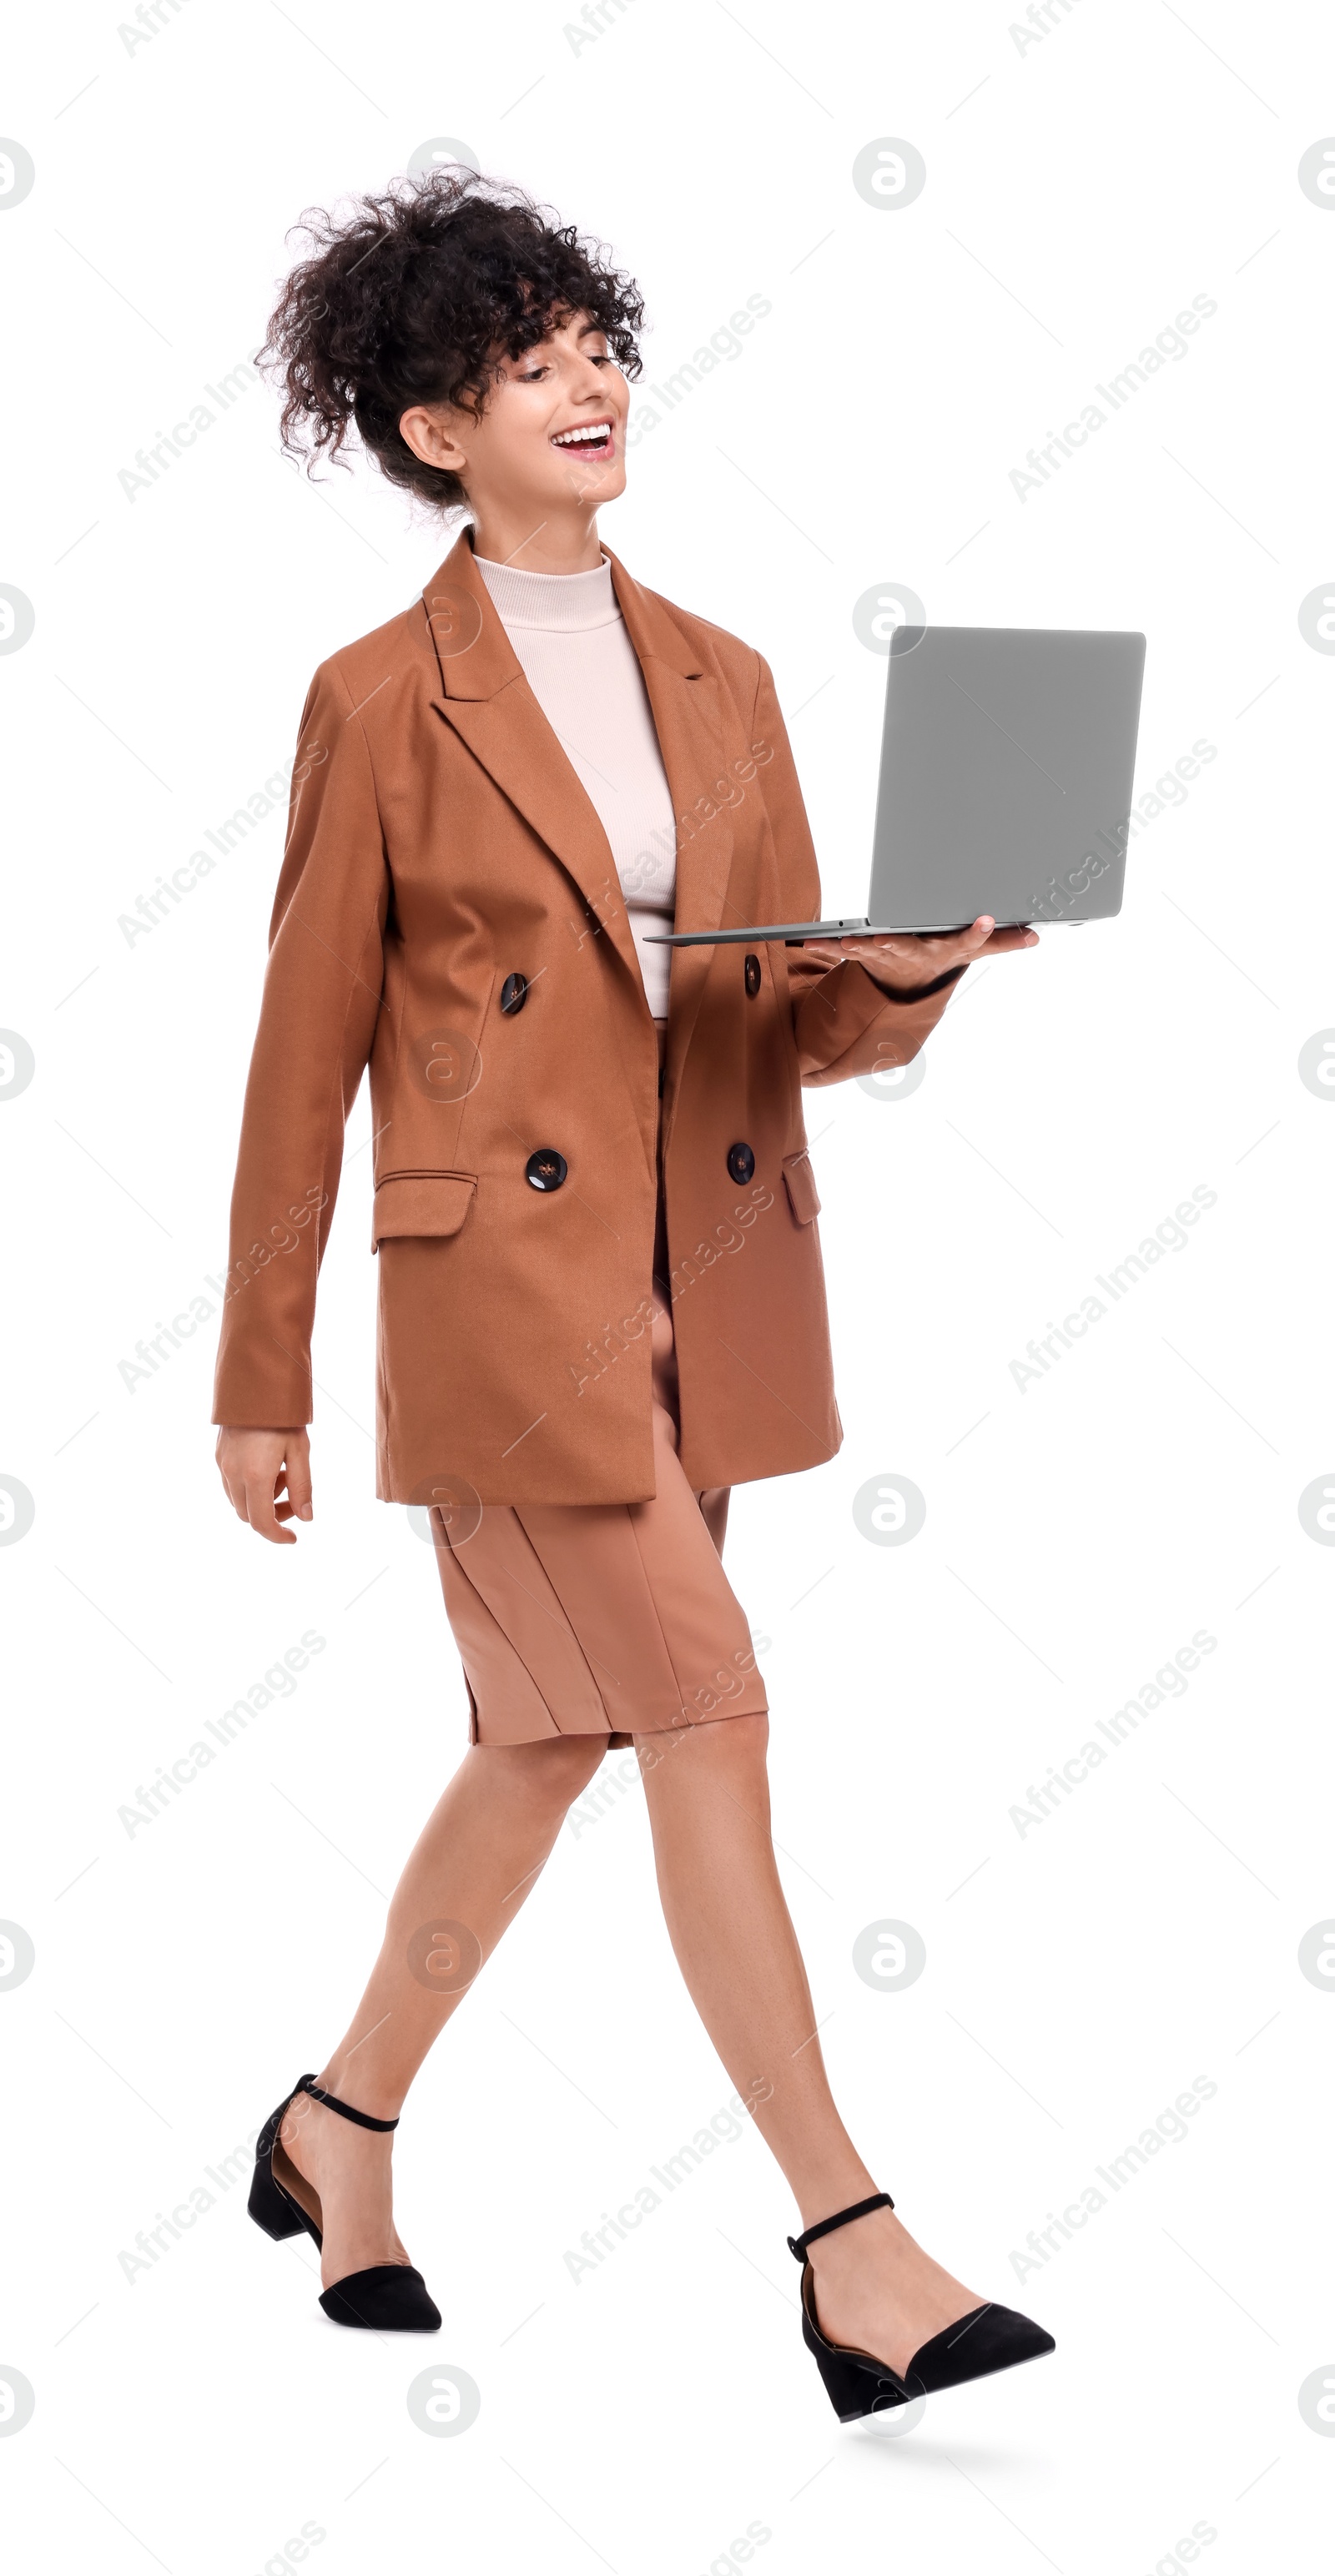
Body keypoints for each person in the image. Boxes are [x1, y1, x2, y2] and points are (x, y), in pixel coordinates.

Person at [214, 169, 1052, 2415]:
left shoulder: (728, 673)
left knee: (551, 1741)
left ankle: (340, 2125)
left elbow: (778, 1026)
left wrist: (922, 961)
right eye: (526, 354)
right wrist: (259, 1379)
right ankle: (852, 2246)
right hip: (505, 1318)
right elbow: (303, 1050)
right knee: (703, 1710)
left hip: (714, 1290)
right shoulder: (379, 699)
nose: (586, 377)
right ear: (425, 427)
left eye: (596, 337)